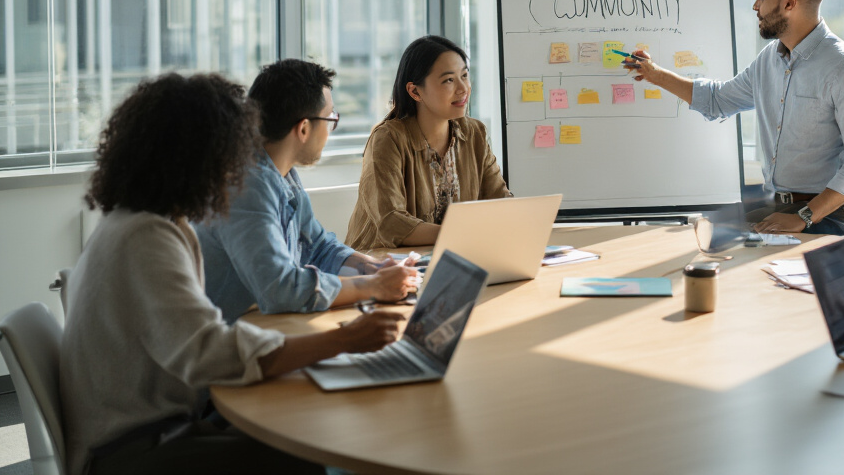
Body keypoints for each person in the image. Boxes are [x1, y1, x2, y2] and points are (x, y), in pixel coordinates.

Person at [61, 73, 404, 475]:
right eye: (231, 148)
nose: (239, 162)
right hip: (132, 449)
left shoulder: (142, 220)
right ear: (197, 155)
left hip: (151, 423)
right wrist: (344, 340)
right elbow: (212, 354)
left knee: (303, 416)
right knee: (307, 453)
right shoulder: (147, 237)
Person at [625, 0, 844, 235]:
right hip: (781, 208)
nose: (755, 6)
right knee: (700, 237)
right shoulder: (768, 61)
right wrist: (653, 73)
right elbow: (717, 100)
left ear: (789, 3)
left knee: (744, 259)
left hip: (830, 216)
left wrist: (804, 216)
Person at [195, 59, 419, 323]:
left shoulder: (283, 172)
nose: (330, 129)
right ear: (303, 128)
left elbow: (318, 246)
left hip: (260, 326)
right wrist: (373, 286)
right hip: (225, 342)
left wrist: (373, 267)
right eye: (330, 118)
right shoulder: (245, 186)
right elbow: (280, 289)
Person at [346, 35, 509, 249]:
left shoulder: (474, 133)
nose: (463, 88)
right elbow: (392, 223)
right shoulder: (388, 139)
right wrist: (463, 234)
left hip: (450, 257)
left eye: (465, 75)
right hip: (381, 266)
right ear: (415, 91)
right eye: (449, 80)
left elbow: (499, 201)